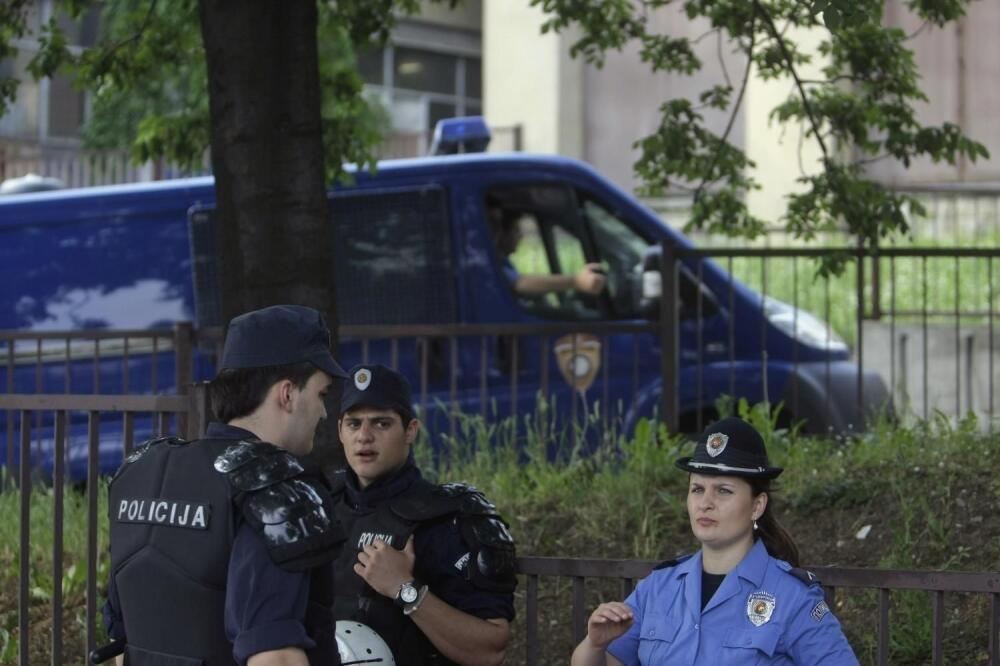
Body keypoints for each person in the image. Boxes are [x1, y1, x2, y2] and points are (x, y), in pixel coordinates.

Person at [102, 305, 348, 666]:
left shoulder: (140, 472)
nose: (324, 412)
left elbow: (123, 643)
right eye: (322, 394)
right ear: (287, 394)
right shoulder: (274, 487)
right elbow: (275, 656)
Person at [571, 417, 859, 665]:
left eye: (723, 490)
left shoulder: (792, 597)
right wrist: (595, 644)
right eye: (697, 489)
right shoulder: (658, 587)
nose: (705, 503)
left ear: (757, 506)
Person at [331, 363, 516, 665]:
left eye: (381, 424)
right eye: (354, 424)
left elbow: (490, 649)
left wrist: (405, 589)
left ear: (410, 431)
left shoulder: (445, 519)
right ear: (340, 430)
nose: (364, 436)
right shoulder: (320, 507)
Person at [488, 201, 607, 298]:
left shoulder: (499, 260)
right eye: (516, 230)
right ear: (503, 233)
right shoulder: (490, 261)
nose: (521, 236)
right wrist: (576, 281)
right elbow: (519, 284)